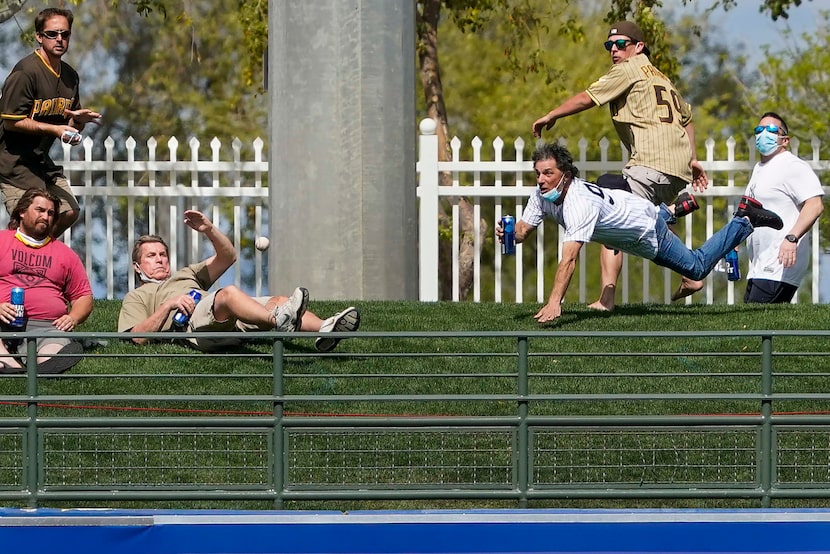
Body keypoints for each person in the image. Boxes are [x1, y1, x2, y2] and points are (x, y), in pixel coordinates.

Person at [497, 143, 783, 323]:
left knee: (695, 269)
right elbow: (524, 229)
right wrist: (510, 235)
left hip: (646, 231)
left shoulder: (577, 202)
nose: (541, 180)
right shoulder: (541, 195)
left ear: (566, 175)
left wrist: (554, 303)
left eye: (548, 173)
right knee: (639, 224)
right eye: (538, 173)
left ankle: (743, 219)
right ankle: (672, 209)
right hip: (632, 216)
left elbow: (569, 258)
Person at [531, 20, 709, 308]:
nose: (614, 49)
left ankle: (608, 298)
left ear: (639, 47)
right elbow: (687, 120)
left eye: (621, 44)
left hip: (651, 164)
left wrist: (553, 114)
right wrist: (692, 158)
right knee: (635, 214)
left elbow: (587, 98)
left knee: (607, 204)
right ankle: (681, 251)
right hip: (674, 171)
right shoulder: (663, 78)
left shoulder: (629, 68)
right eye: (609, 45)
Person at [118, 210, 360, 352]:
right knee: (228, 294)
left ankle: (324, 329)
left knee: (279, 300)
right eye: (151, 256)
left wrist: (209, 229)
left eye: (162, 254)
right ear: (137, 266)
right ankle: (277, 320)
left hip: (222, 317)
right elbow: (136, 337)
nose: (160, 260)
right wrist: (168, 305)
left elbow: (228, 257)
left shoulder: (186, 274)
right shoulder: (136, 297)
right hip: (193, 327)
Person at [0, 7, 102, 238]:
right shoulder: (25, 72)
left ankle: (37, 259)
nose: (59, 39)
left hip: (40, 160)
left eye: (64, 34)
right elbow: (10, 122)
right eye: (52, 34)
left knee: (69, 211)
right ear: (39, 36)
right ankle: (17, 257)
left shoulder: (70, 76)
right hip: (13, 162)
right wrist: (54, 129)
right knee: (30, 222)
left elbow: (70, 126)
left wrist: (78, 122)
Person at [0, 188, 92, 373]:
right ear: (22, 211)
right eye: (40, 210)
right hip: (3, 320)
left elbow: (83, 297)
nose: (46, 216)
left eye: (50, 213)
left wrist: (72, 318)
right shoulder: (2, 240)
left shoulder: (66, 254)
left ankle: (47, 362)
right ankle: (7, 361)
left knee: (52, 348)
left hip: (47, 325)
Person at [742, 111, 824, 303]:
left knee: (756, 326)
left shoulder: (792, 166)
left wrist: (791, 238)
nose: (763, 133)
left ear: (785, 139)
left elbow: (815, 205)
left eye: (771, 129)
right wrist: (733, 243)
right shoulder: (759, 169)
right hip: (759, 265)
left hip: (779, 264)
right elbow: (749, 210)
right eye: (759, 129)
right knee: (753, 329)